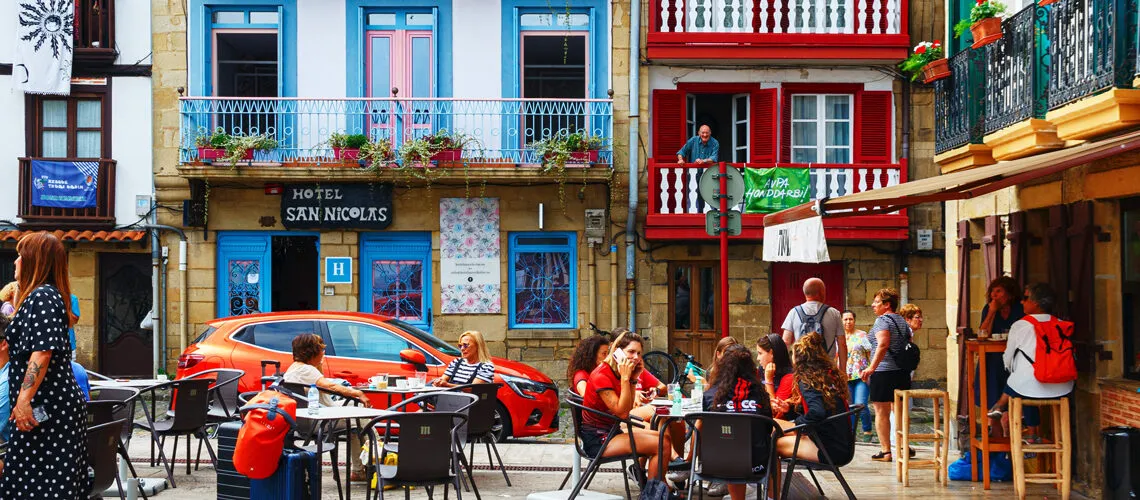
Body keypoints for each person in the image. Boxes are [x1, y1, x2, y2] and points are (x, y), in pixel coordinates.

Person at [1, 232, 90, 497]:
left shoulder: (42, 296)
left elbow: (42, 352)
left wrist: (23, 401)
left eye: (20, 255)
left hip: (47, 410)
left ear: (32, 261)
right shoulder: (41, 296)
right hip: (48, 408)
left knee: (41, 487)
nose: (15, 261)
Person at [580, 330, 680, 482]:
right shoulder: (602, 375)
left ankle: (656, 489)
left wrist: (633, 379)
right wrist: (626, 378)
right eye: (631, 352)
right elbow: (622, 413)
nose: (636, 357)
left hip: (612, 432)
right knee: (661, 444)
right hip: (599, 440)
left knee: (664, 437)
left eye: (639, 353)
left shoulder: (616, 372)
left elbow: (626, 412)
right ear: (617, 352)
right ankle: (656, 492)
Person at [987, 283, 1074, 443]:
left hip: (1028, 386)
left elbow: (1007, 360)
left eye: (1025, 298)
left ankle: (999, 405)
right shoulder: (1061, 324)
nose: (1021, 302)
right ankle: (1032, 431)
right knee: (1026, 379)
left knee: (1022, 380)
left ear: (1036, 303)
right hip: (1063, 386)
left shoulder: (1021, 325)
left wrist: (1016, 368)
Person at [283, 333, 371, 481]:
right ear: (312, 352)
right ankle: (379, 463)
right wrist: (358, 393)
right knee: (363, 420)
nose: (324, 352)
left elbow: (321, 386)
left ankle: (360, 469)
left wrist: (319, 364)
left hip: (303, 419)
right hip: (318, 421)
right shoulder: (306, 370)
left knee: (355, 421)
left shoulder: (295, 368)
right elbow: (329, 386)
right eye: (321, 350)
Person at [701, 344, 773, 500]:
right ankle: (772, 497)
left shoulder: (710, 396)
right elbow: (768, 427)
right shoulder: (760, 395)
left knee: (729, 444)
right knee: (772, 446)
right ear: (750, 367)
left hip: (716, 465)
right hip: (756, 466)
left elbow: (707, 429)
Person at [775, 333, 853, 467]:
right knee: (772, 424)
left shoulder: (807, 380)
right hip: (840, 442)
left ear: (798, 358)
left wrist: (797, 424)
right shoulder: (827, 376)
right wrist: (789, 411)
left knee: (771, 442)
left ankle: (770, 488)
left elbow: (817, 412)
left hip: (828, 449)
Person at [859, 288, 912, 462]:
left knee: (881, 412)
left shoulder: (882, 321)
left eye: (876, 302)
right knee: (900, 411)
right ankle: (904, 446)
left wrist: (871, 368)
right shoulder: (902, 322)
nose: (873, 305)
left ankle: (886, 451)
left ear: (886, 304)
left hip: (883, 371)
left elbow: (882, 345)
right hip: (902, 372)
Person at [977, 277, 1023, 429]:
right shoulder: (989, 309)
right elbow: (983, 334)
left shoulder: (1019, 309)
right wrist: (991, 312)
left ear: (1010, 294)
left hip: (1016, 359)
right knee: (991, 387)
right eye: (992, 292)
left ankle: (1012, 430)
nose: (994, 296)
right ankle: (994, 431)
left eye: (999, 291)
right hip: (994, 358)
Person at [780, 278, 847, 369]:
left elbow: (786, 342)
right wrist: (843, 371)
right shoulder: (834, 313)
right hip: (827, 368)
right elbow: (842, 343)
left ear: (805, 293)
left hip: (802, 368)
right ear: (822, 292)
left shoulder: (794, 312)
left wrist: (789, 368)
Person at [842, 310, 874, 440]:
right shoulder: (838, 337)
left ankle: (867, 430)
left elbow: (870, 352)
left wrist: (870, 369)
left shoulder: (862, 335)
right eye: (845, 319)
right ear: (841, 321)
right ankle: (851, 432)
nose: (848, 322)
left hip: (861, 375)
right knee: (849, 406)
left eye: (851, 319)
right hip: (845, 376)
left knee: (860, 404)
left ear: (854, 320)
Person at [756, 333, 796, 419]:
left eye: (760, 353)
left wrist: (768, 380)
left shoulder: (789, 377)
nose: (757, 358)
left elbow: (774, 411)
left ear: (771, 353)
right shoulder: (762, 369)